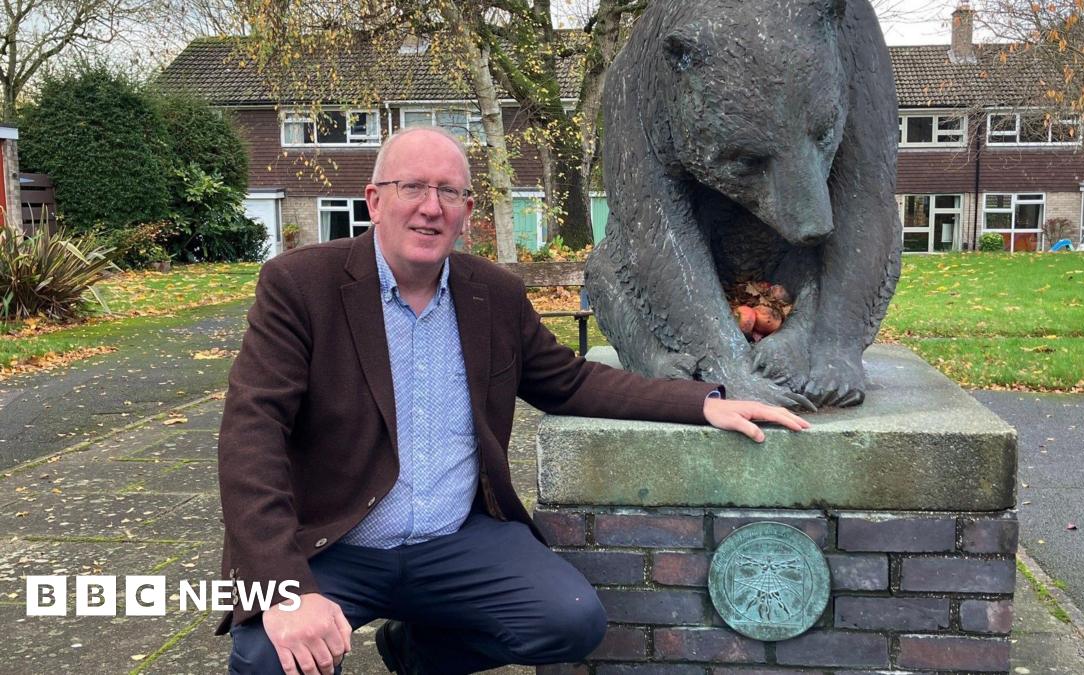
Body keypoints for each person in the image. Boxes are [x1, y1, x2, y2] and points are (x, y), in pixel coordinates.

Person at [216, 126, 810, 675]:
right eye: (413, 187)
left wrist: (702, 402)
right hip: (334, 541)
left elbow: (570, 381)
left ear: (467, 212)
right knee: (274, 658)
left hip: (454, 539)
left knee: (570, 621)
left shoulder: (492, 294)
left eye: (449, 192)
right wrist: (285, 588)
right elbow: (252, 433)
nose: (431, 206)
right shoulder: (300, 285)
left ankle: (413, 650)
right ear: (374, 200)